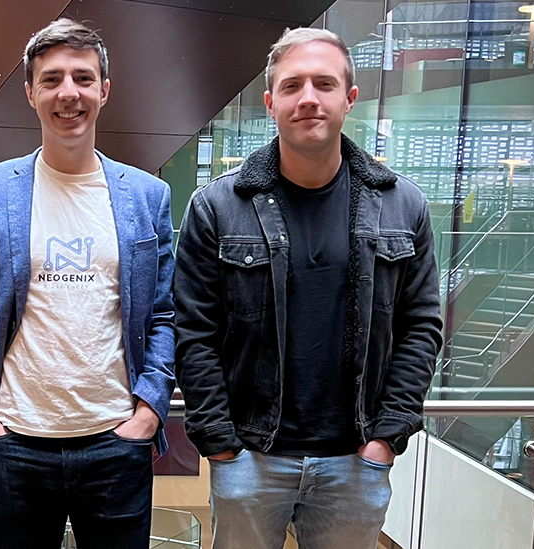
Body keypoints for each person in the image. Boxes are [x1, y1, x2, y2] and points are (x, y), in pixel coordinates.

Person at [174, 28, 443, 549]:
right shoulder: (217, 207)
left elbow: (421, 327)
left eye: (324, 84)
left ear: (349, 99)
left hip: (357, 460)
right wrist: (222, 447)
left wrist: (385, 440)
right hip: (251, 458)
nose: (309, 99)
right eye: (293, 86)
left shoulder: (403, 205)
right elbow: (194, 332)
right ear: (272, 103)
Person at [0, 18, 175, 549]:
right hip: (15, 441)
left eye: (82, 77)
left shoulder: (147, 196)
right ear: (30, 93)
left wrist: (148, 411)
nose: (67, 93)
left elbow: (164, 314)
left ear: (104, 89)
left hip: (116, 438)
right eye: (51, 79)